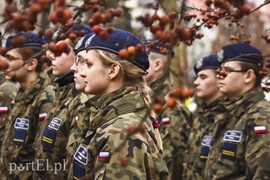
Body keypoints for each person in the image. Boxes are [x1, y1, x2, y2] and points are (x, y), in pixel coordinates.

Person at [69, 29, 170, 179]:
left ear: (113, 70)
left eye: (88, 64)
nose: (74, 68)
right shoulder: (108, 119)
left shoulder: (122, 130)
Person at [33, 24, 92, 179]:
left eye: (58, 51)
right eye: (51, 49)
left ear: (79, 56)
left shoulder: (82, 100)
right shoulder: (62, 94)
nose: (50, 55)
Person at [204, 43, 270, 179]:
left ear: (248, 76)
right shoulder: (227, 113)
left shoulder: (261, 116)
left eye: (227, 71)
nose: (219, 76)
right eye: (219, 71)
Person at [0, 31, 55, 179]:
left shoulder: (46, 97)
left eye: (10, 58)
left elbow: (45, 158)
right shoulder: (22, 95)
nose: (3, 63)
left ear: (31, 63)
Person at [143, 39, 192, 179]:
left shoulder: (171, 109)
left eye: (141, 59)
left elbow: (171, 165)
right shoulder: (146, 102)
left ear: (157, 64)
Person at [182, 54, 231, 179]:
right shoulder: (200, 116)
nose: (196, 82)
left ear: (221, 78)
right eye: (197, 77)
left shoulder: (230, 116)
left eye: (203, 77)